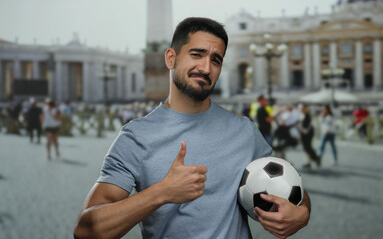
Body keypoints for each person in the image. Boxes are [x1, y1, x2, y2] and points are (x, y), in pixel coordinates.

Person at [74, 17, 311, 239]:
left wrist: (302, 213)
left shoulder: (244, 130)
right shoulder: (135, 137)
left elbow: (288, 185)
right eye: (196, 54)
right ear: (170, 58)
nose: (206, 68)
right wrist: (162, 192)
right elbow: (86, 230)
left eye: (215, 60)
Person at [297, 105, 320, 169]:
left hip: (308, 134)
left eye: (303, 109)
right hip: (304, 134)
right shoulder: (303, 115)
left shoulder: (307, 116)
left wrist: (301, 128)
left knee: (308, 147)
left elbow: (307, 126)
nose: (302, 110)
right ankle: (310, 161)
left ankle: (315, 158)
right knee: (307, 148)